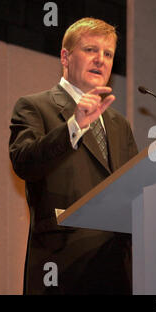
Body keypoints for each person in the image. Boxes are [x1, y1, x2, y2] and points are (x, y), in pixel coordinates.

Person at [9, 18, 138, 294]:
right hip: (61, 268)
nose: (100, 60)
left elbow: (135, 190)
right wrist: (74, 126)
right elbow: (25, 162)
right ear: (65, 57)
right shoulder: (35, 106)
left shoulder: (119, 124)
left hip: (116, 270)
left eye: (108, 54)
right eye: (91, 50)